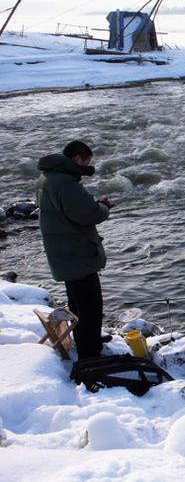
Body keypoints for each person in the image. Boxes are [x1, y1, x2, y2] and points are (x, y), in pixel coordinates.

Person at [37, 141, 113, 360]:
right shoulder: (66, 182)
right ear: (78, 158)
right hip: (76, 252)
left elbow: (71, 210)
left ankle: (86, 340)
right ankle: (91, 352)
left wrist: (93, 205)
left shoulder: (48, 177)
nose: (87, 167)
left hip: (63, 250)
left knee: (77, 302)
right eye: (86, 162)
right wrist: (103, 207)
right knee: (90, 305)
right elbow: (87, 214)